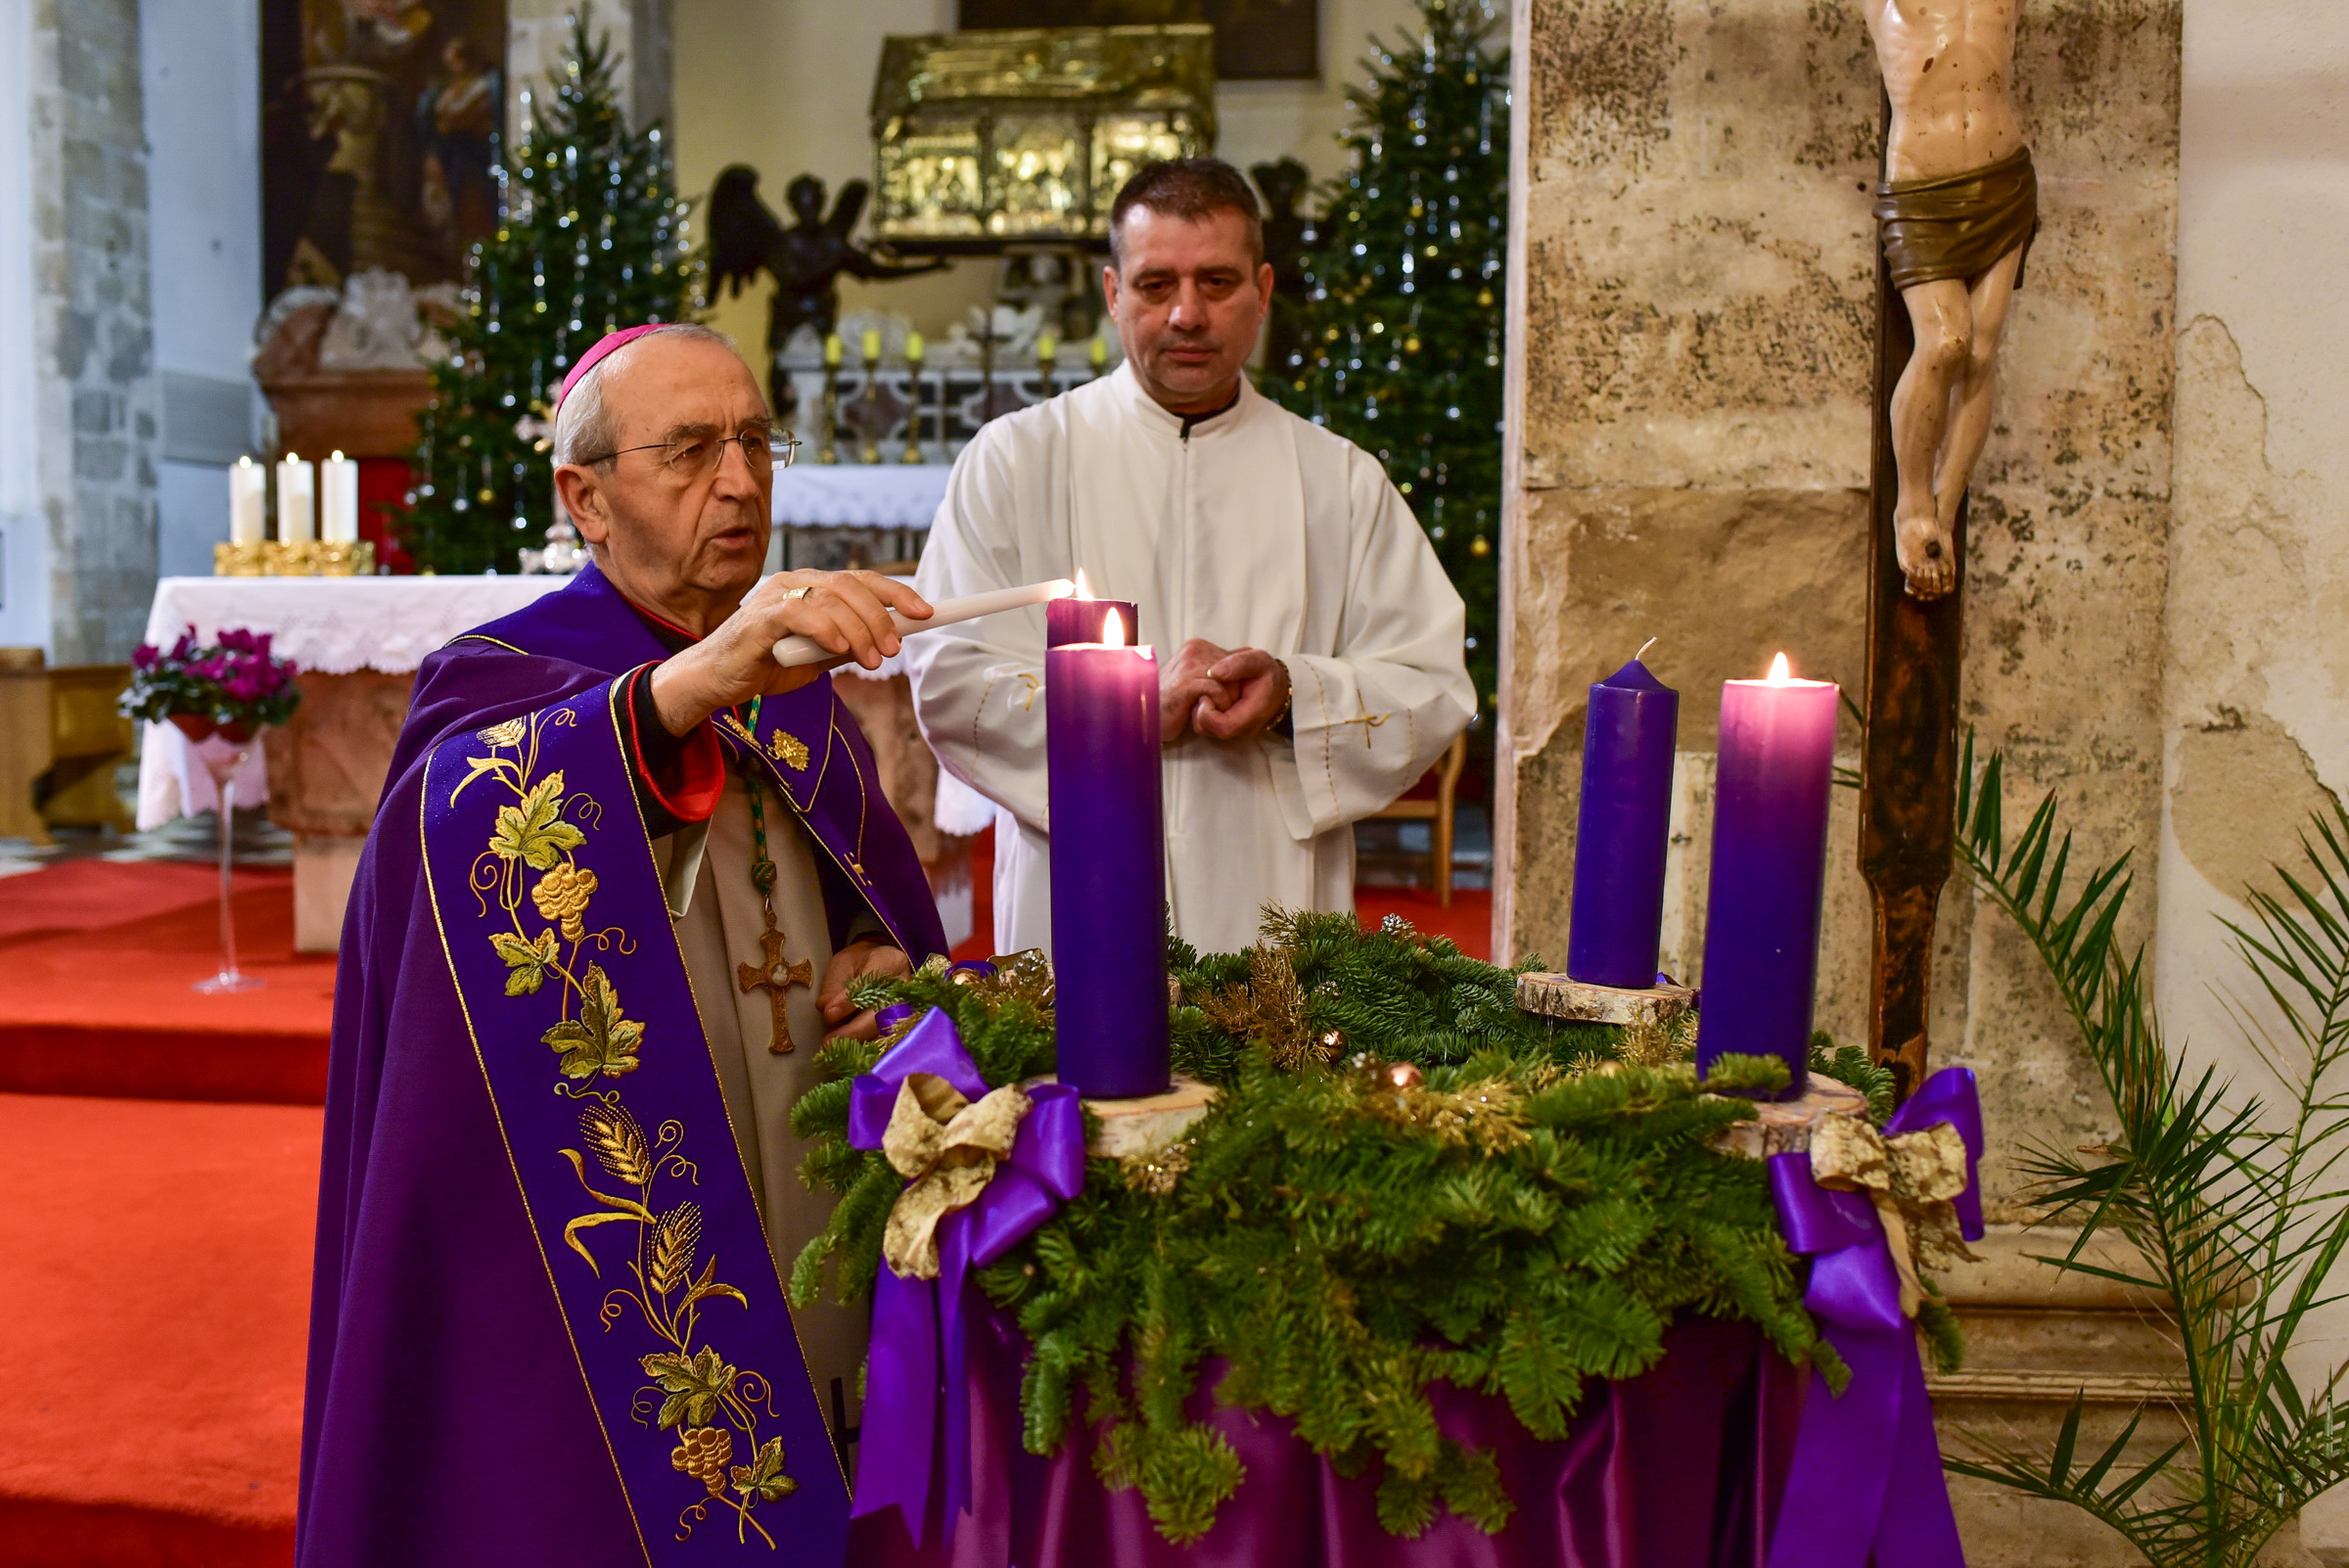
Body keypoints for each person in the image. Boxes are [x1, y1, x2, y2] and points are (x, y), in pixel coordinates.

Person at [297, 322, 944, 1565]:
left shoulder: (791, 685)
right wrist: (683, 691)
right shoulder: (498, 683)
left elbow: (867, 900)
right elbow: (451, 854)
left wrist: (874, 955)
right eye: (691, 450)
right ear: (585, 498)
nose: (742, 482)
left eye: (756, 441)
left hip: (803, 1190)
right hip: (603, 1245)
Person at [907, 158, 1474, 957]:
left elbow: (1428, 681)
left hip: (1273, 904)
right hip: (1078, 902)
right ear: (1112, 294)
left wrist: (1289, 696)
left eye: (1217, 282)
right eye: (1154, 285)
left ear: (1264, 290)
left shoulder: (1339, 480)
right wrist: (1129, 706)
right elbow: (948, 675)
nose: (1186, 314)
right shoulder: (1015, 460)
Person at [1864, 0, 2034, 600]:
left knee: (1981, 352)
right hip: (1922, 188)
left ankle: (1946, 507)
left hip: (2003, 175)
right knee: (1946, 340)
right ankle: (1912, 507)